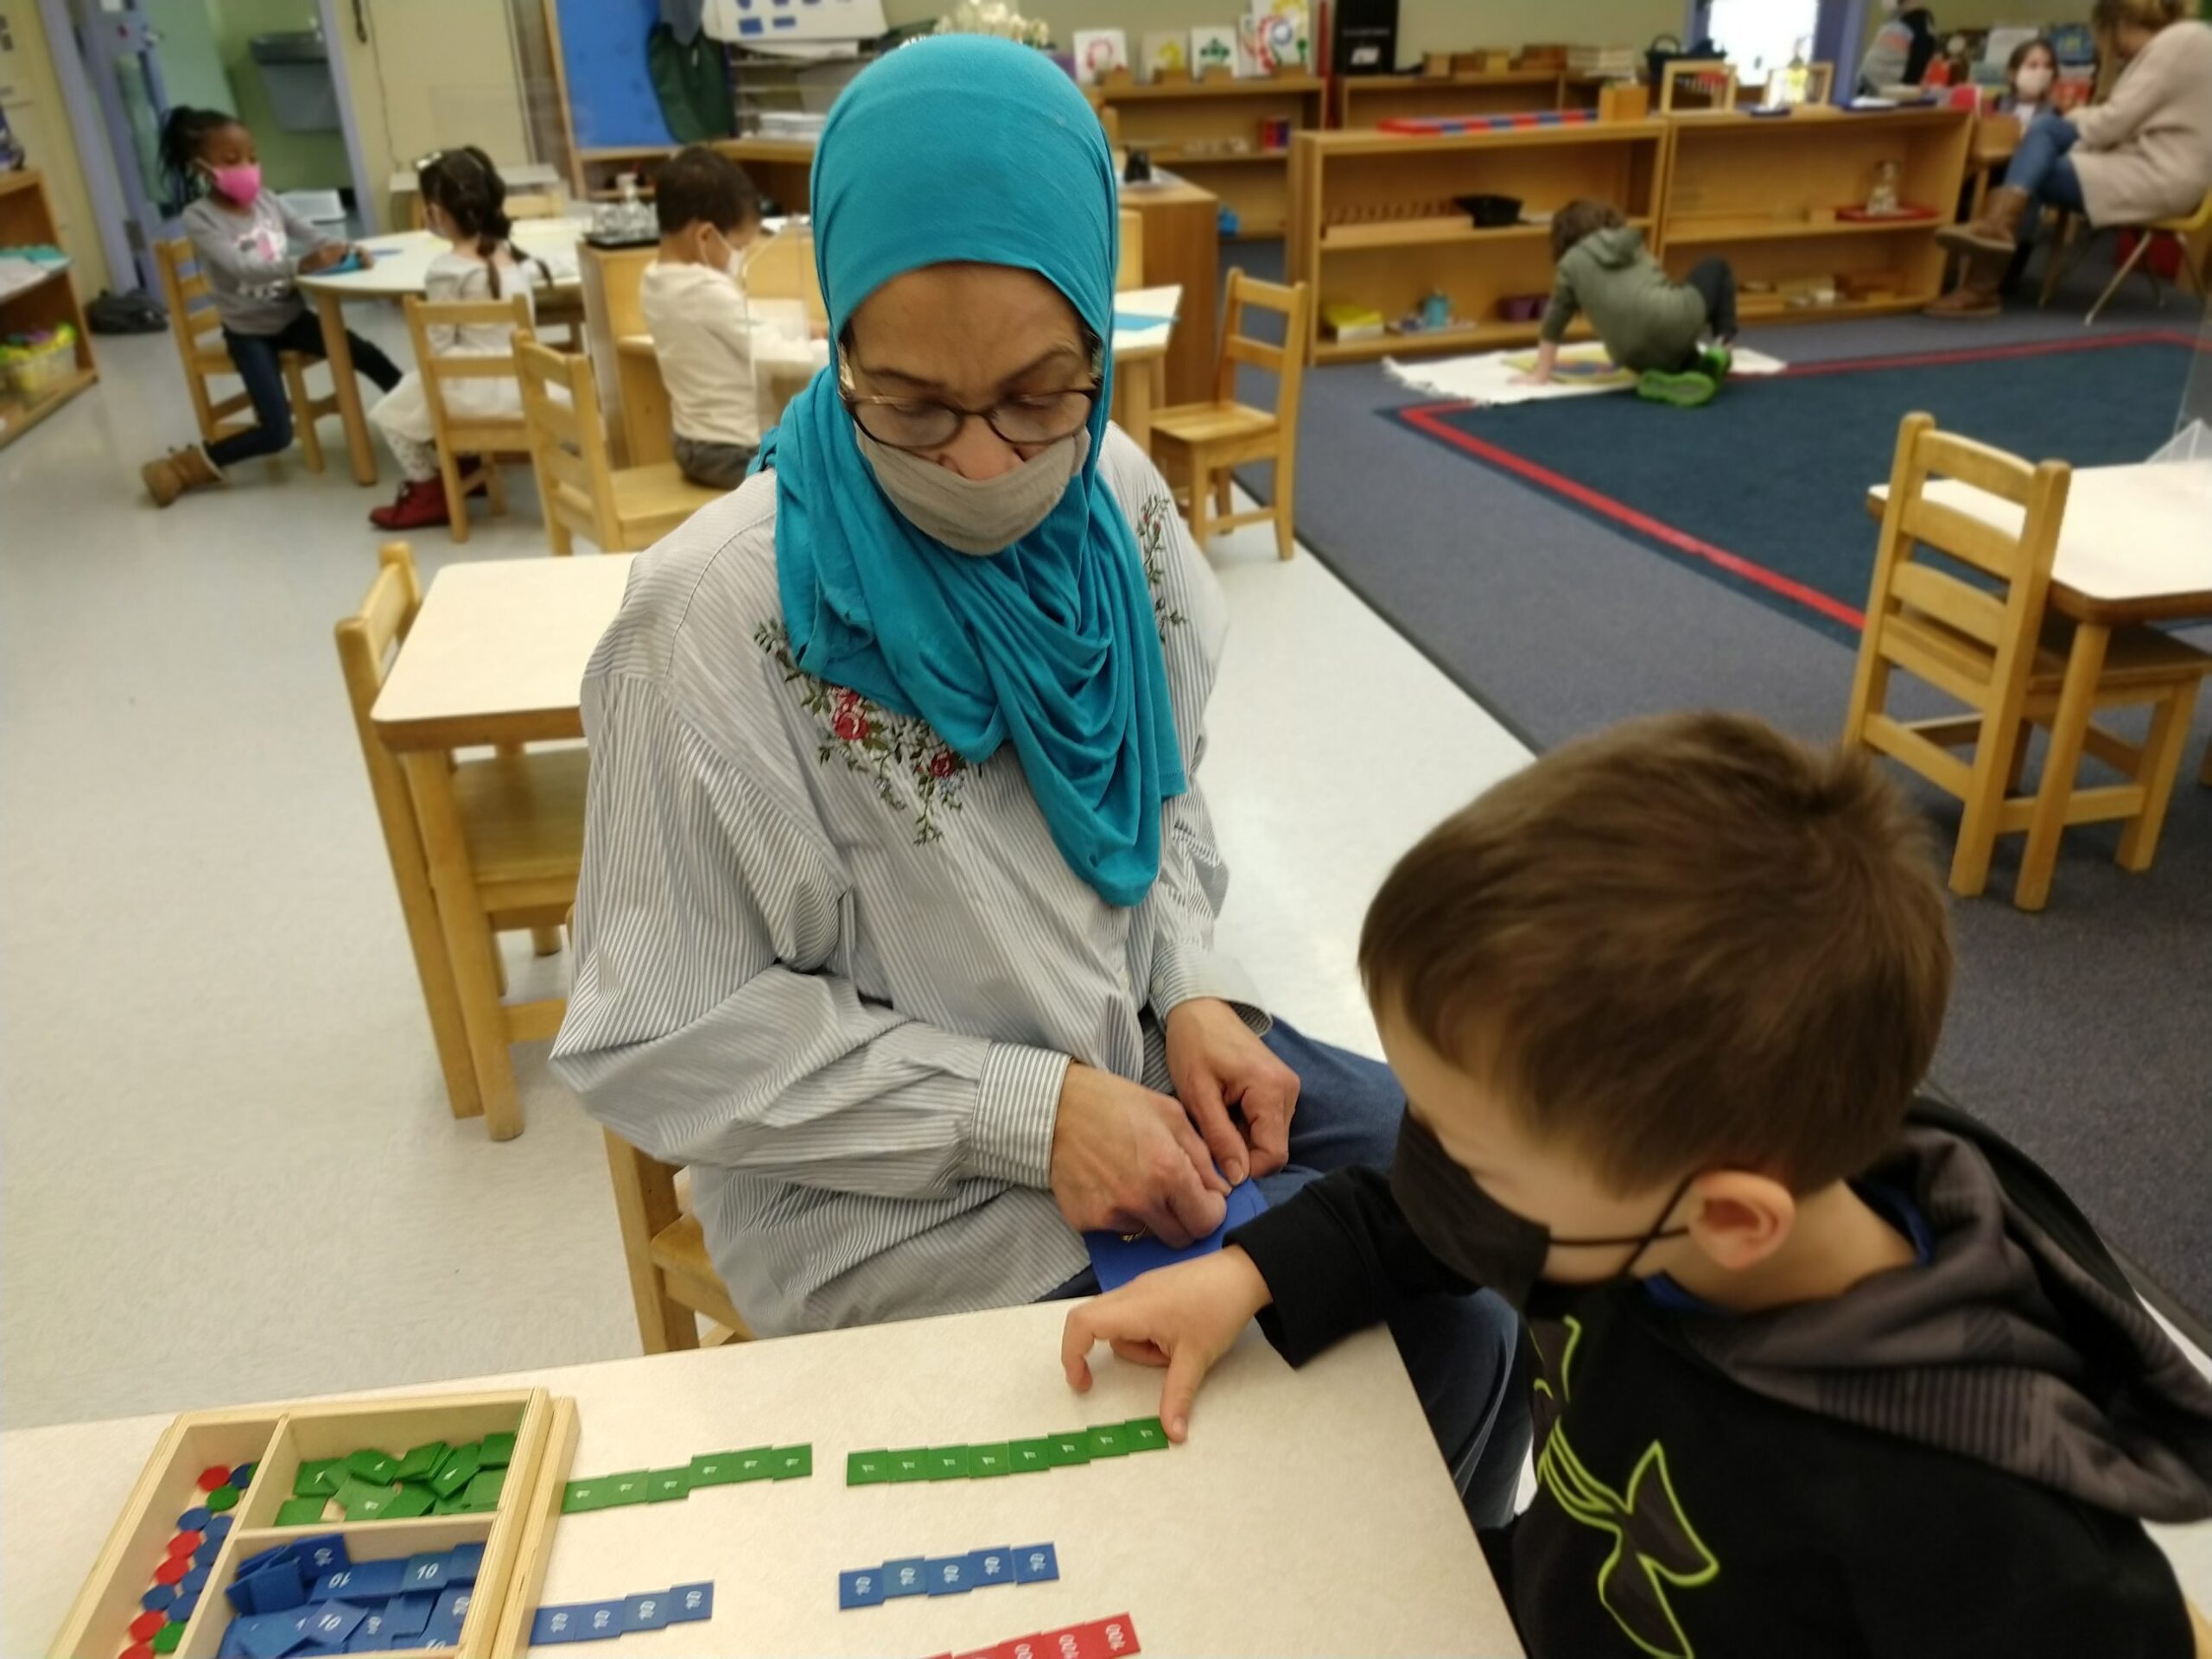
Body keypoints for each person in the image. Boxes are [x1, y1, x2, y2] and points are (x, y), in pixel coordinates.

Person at [550, 35, 1528, 1526]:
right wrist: (1027, 1112)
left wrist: (1190, 984)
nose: (988, 461)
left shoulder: (1115, 503)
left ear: (1094, 350)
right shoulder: (711, 622)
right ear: (838, 347)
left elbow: (1166, 788)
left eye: (1038, 394)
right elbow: (655, 1036)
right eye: (912, 407)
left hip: (1140, 1055)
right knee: (1423, 1355)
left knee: (1493, 1202)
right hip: (887, 1187)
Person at [1063, 712, 2212, 1659]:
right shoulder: (1645, 1193)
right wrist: (1241, 1278)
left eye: (1479, 1152)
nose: (1442, 1168)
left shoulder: (1983, 1519)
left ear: (1728, 1220)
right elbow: (1417, 1213)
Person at [139, 105, 400, 507]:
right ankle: (185, 466)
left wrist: (345, 249)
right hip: (248, 331)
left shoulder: (268, 202)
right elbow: (242, 267)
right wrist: (302, 264)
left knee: (368, 355)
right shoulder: (199, 217)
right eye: (231, 160)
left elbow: (311, 234)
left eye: (252, 157)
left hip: (291, 317)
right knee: (277, 432)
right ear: (203, 168)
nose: (246, 167)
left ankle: (423, 424)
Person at [1932, 0, 2212, 318]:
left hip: (2156, 177)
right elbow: (2121, 125)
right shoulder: (2189, 40)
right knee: (2038, 152)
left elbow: (2112, 125)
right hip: (2150, 168)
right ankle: (1992, 262)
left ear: (2118, 25)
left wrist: (2075, 117)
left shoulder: (2178, 43)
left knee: (2038, 150)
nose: (2117, 51)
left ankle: (1984, 273)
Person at [365, 148, 545, 531]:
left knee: (391, 414)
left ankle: (430, 490)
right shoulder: (511, 254)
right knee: (419, 396)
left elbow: (439, 351)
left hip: (475, 388)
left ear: (435, 211)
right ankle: (461, 463)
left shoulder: (446, 270)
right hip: (525, 379)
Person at [639, 145, 819, 492]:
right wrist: (829, 351)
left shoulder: (655, 279)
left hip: (691, 444)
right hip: (734, 452)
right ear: (705, 236)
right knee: (821, 481)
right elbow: (773, 352)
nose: (741, 257)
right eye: (740, 246)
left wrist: (803, 328)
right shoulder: (706, 289)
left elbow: (731, 324)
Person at [1521, 200, 1736, 408]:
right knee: (1717, 267)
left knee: (1673, 346)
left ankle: (1682, 371)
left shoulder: (1569, 264)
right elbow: (1658, 283)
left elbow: (1554, 321)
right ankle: (1723, 344)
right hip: (1670, 321)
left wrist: (1541, 374)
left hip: (1630, 355)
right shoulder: (1630, 240)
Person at [1856, 5, 1940, 96]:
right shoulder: (1895, 23)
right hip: (1874, 92)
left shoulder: (1916, 24)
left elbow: (1918, 64)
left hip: (1889, 94)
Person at [2002, 35, 2062, 125]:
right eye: (2033, 65)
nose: (2041, 72)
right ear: (2013, 74)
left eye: (2048, 66)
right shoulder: (1998, 105)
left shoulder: (2054, 112)